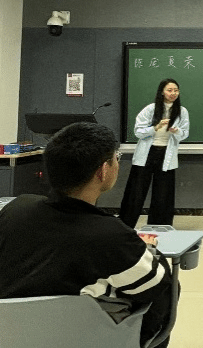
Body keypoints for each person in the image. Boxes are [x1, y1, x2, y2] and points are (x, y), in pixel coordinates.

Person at [0, 122, 175, 347]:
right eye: (116, 157)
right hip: (84, 339)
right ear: (103, 171)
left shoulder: (15, 210)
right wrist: (146, 249)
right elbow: (158, 285)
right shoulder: (112, 236)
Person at [120, 78, 190, 228]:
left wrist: (176, 131)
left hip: (166, 154)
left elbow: (185, 134)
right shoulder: (150, 109)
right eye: (169, 90)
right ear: (162, 92)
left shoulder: (182, 111)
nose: (173, 93)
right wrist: (155, 128)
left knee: (163, 193)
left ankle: (160, 227)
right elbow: (138, 132)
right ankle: (125, 225)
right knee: (136, 191)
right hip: (147, 153)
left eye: (176, 90)